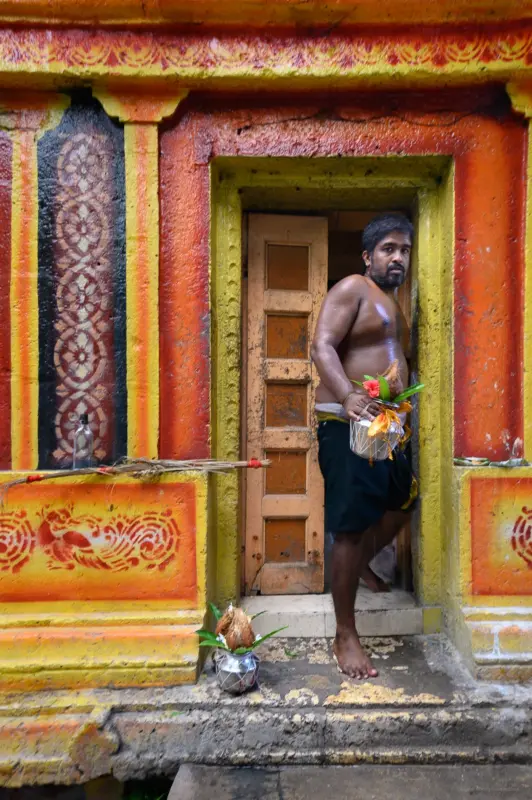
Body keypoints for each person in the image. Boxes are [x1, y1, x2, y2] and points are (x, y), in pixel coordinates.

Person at [311, 213, 418, 680]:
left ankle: (352, 568)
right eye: (389, 249)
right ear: (368, 256)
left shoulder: (396, 306)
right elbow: (322, 347)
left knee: (402, 501)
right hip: (347, 422)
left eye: (405, 250)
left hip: (387, 427)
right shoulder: (354, 287)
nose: (398, 257)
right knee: (349, 526)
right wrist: (348, 394)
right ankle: (345, 633)